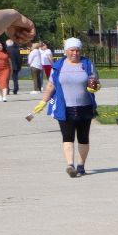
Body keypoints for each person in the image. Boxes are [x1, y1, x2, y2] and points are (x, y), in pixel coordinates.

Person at [35, 37, 102, 177]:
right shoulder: (58, 66)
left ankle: (81, 165)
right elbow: (51, 85)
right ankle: (70, 165)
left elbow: (95, 81)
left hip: (85, 107)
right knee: (67, 137)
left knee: (83, 138)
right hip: (64, 108)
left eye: (78, 50)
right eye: (72, 50)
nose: (75, 53)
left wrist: (95, 87)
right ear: (66, 51)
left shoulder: (87, 64)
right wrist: (43, 102)